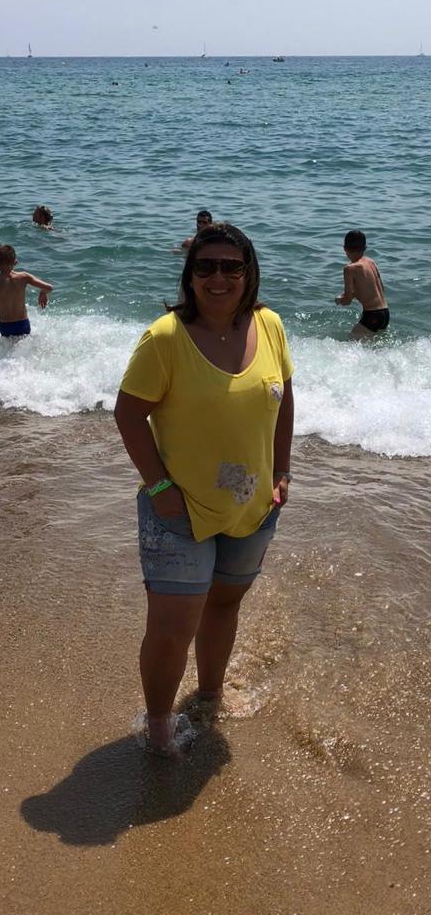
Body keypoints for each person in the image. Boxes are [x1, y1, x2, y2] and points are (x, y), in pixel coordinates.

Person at [114, 222, 294, 756]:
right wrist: (159, 487)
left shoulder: (270, 324)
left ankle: (211, 696)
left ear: (248, 272)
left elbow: (284, 399)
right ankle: (159, 728)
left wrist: (282, 471)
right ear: (190, 276)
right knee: (173, 627)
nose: (218, 277)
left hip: (253, 505)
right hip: (179, 509)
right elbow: (128, 415)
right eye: (205, 266)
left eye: (231, 267)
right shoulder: (165, 338)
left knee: (224, 605)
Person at [0, 243, 53, 339]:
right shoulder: (24, 276)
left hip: (5, 325)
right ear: (15, 262)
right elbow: (49, 287)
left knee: (7, 348)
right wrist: (43, 293)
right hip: (23, 323)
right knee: (24, 346)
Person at [335, 229, 389, 338]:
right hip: (385, 313)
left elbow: (347, 301)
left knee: (350, 344)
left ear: (345, 248)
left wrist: (339, 300)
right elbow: (379, 288)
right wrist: (354, 294)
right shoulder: (371, 262)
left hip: (372, 315)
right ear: (365, 248)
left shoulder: (349, 268)